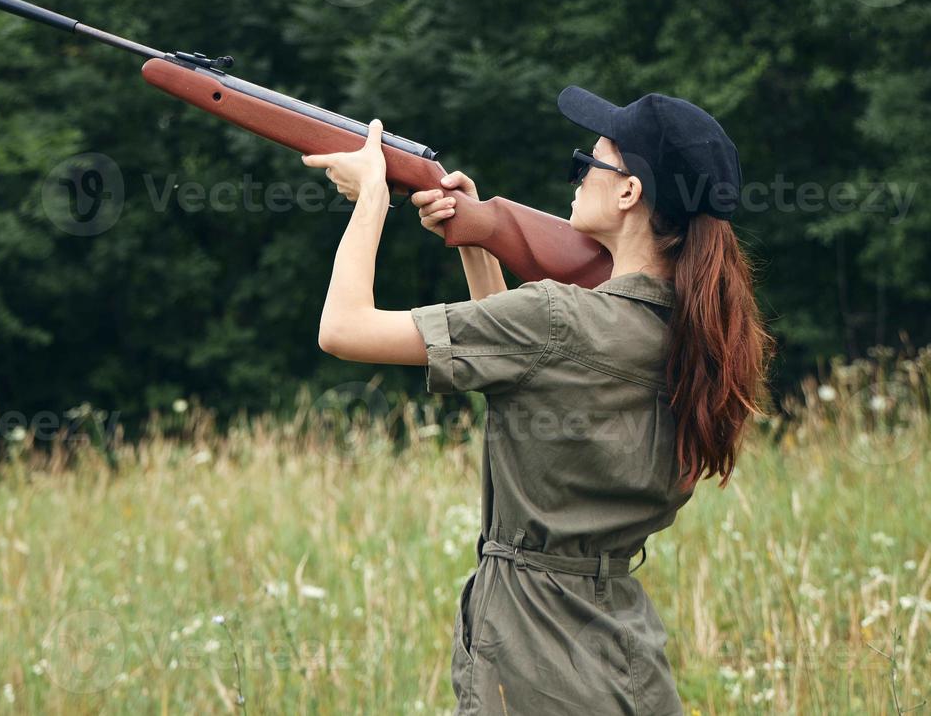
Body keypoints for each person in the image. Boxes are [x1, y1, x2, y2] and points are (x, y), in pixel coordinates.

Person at [302, 85, 773, 715]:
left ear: (630, 191)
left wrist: (373, 201)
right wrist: (476, 239)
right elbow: (520, 365)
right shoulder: (690, 338)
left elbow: (343, 329)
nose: (575, 177)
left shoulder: (557, 318)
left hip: (531, 657)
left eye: (589, 164)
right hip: (623, 655)